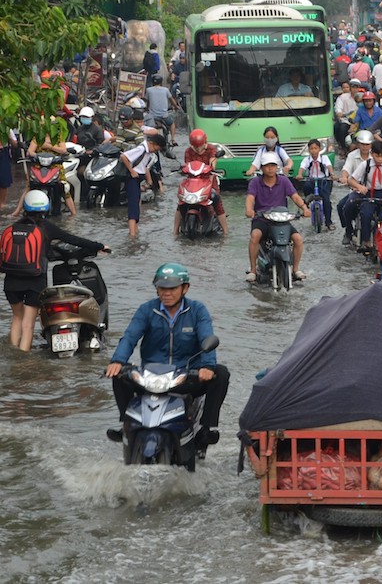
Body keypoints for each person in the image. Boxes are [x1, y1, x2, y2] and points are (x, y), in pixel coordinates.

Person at [104, 263, 229, 454]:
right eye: (162, 288)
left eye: (172, 288)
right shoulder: (147, 310)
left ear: (185, 288)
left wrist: (207, 366)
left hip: (186, 378)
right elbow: (130, 337)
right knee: (120, 374)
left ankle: (207, 428)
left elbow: (206, 338)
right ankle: (126, 423)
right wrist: (117, 361)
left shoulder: (197, 310)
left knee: (220, 373)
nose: (166, 293)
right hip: (151, 377)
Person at [2, 190, 109, 351]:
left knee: (17, 317)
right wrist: (99, 246)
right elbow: (73, 239)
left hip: (11, 281)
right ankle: (22, 360)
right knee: (28, 324)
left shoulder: (13, 228)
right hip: (35, 280)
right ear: (46, 208)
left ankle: (13, 354)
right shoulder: (46, 228)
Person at [245, 152, 310, 282]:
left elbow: (295, 196)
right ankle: (253, 270)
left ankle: (295, 269)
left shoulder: (284, 181)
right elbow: (250, 198)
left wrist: (304, 208)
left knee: (297, 239)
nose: (270, 168)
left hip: (282, 220)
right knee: (255, 236)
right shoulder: (255, 182)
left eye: (273, 165)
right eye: (267, 166)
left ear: (277, 167)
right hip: (262, 219)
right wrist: (249, 209)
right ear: (262, 168)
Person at [346, 140, 382, 251]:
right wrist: (359, 187)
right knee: (366, 213)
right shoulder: (365, 165)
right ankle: (366, 240)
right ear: (372, 154)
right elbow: (351, 180)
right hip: (369, 194)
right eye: (377, 156)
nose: (380, 159)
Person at [175, 129, 228, 236]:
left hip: (208, 180)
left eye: (199, 146)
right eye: (195, 147)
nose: (198, 149)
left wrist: (209, 184)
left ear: (205, 142)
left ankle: (226, 231)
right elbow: (187, 167)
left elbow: (212, 167)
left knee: (217, 201)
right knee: (181, 203)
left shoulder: (211, 150)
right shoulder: (188, 151)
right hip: (192, 181)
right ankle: (175, 231)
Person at [120, 133, 165, 238]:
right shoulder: (141, 149)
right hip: (132, 179)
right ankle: (132, 235)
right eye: (156, 148)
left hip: (138, 180)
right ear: (152, 143)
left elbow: (145, 167)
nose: (156, 151)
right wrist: (132, 171)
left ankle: (135, 230)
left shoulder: (147, 152)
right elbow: (124, 156)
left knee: (137, 204)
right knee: (133, 205)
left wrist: (149, 182)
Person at [295, 138, 335, 231]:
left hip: (322, 180)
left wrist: (332, 174)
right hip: (311, 179)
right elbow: (302, 167)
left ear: (319, 149)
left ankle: (329, 222)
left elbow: (329, 166)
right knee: (306, 186)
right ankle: (308, 200)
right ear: (309, 150)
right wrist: (300, 174)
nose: (314, 151)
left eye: (315, 148)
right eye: (311, 149)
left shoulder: (324, 158)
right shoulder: (306, 159)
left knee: (326, 201)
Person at [145, 74, 178, 142]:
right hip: (164, 116)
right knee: (172, 123)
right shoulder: (165, 90)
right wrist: (176, 107)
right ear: (161, 82)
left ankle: (148, 141)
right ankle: (172, 139)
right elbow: (172, 101)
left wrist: (146, 108)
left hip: (153, 117)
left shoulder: (148, 90)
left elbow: (147, 102)